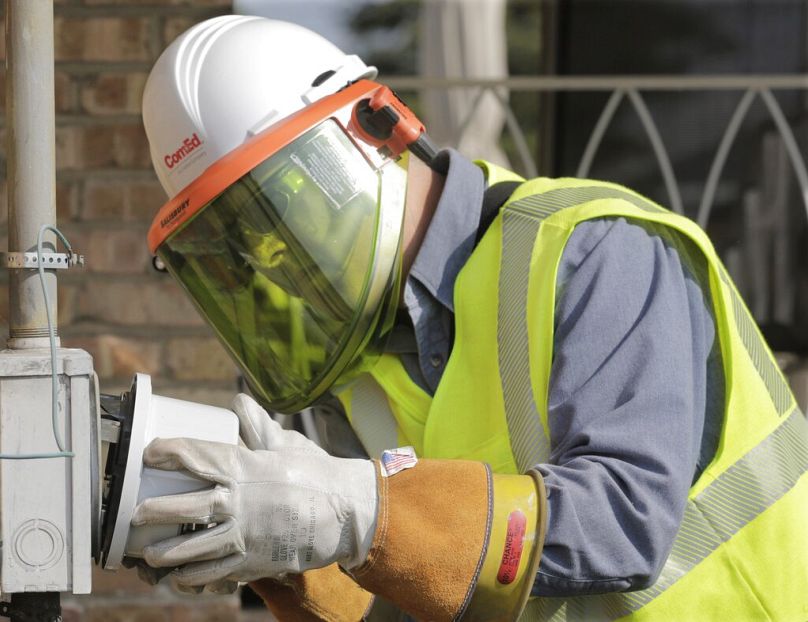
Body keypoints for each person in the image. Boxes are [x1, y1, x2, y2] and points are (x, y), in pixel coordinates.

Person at [133, 14, 808, 621]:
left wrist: (358, 510)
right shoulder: (361, 372)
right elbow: (436, 587)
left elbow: (623, 520)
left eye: (272, 209)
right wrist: (291, 562)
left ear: (376, 132)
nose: (271, 256)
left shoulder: (592, 248)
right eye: (239, 243)